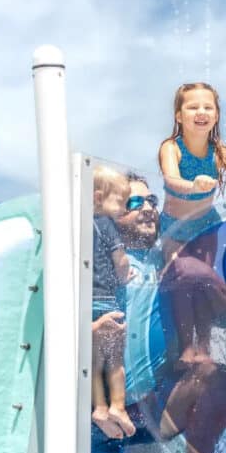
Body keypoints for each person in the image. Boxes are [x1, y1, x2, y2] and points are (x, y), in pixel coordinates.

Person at [90, 173, 226, 453]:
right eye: (134, 202)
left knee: (215, 376)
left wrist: (203, 275)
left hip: (154, 408)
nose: (147, 208)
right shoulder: (95, 261)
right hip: (98, 412)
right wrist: (90, 331)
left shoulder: (168, 261)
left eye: (151, 201)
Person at [158, 82, 226, 367]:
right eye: (192, 107)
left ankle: (203, 347)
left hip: (206, 226)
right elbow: (170, 179)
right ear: (179, 116)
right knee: (181, 281)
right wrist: (192, 185)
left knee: (202, 282)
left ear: (217, 116)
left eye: (208, 107)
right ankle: (185, 347)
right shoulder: (171, 148)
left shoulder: (220, 153)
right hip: (174, 226)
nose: (201, 112)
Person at [91, 166, 136, 438]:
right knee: (115, 361)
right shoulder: (106, 224)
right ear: (98, 198)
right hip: (107, 303)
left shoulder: (81, 225)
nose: (123, 208)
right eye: (120, 201)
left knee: (94, 363)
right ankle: (118, 406)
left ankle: (99, 406)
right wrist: (125, 274)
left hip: (89, 305)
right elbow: (120, 261)